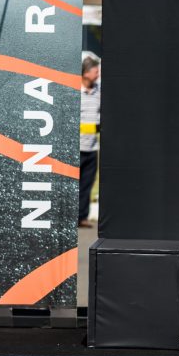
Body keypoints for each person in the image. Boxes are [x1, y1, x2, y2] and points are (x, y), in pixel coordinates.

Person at [78, 54, 100, 228]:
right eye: (95, 71)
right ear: (85, 73)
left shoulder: (99, 91)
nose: (98, 74)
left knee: (87, 184)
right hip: (77, 147)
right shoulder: (75, 92)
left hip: (92, 147)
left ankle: (82, 217)